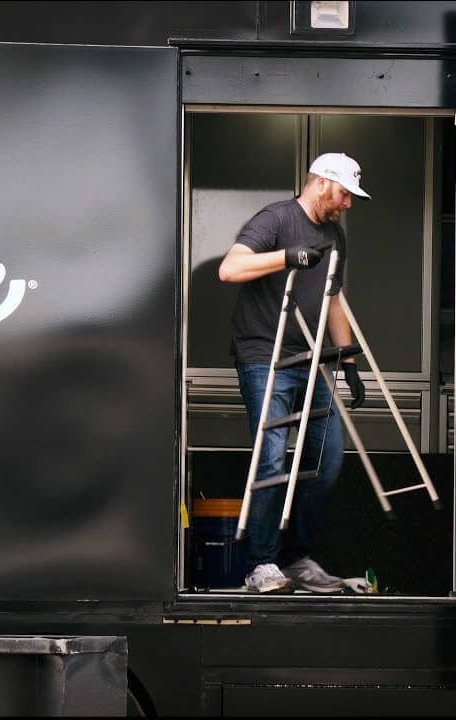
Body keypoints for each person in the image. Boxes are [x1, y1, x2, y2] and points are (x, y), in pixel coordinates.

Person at [218, 152, 369, 594]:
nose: (347, 204)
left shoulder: (335, 235)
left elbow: (332, 297)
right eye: (343, 193)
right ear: (321, 183)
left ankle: (295, 557)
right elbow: (230, 269)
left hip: (311, 359)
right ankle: (261, 565)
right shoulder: (276, 220)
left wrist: (350, 361)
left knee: (327, 458)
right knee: (271, 459)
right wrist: (286, 257)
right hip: (265, 355)